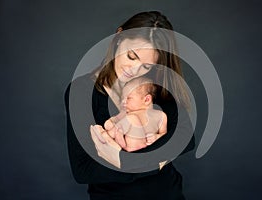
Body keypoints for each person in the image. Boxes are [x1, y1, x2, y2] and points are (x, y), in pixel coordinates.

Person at [65, 11, 195, 200]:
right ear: (119, 37)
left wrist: (118, 160)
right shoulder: (81, 91)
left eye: (146, 66)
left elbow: (185, 139)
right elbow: (84, 170)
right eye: (131, 56)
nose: (134, 71)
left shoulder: (155, 84)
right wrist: (157, 160)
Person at [98, 77, 167, 152]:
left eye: (128, 98)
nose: (124, 101)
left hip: (145, 147)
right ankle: (111, 138)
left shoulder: (161, 115)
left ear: (147, 100)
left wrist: (157, 137)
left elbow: (164, 134)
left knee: (131, 118)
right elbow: (115, 119)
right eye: (123, 98)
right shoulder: (127, 113)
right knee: (116, 124)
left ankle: (107, 137)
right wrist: (110, 122)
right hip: (128, 145)